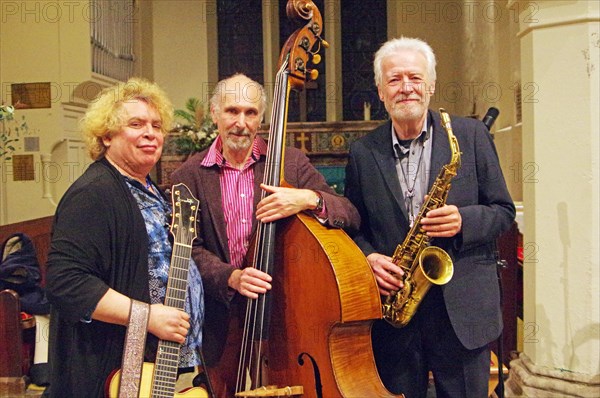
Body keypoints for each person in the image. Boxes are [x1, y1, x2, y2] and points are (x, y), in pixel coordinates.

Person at [344, 37, 516, 398]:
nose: (406, 87)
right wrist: (368, 259)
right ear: (380, 90)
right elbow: (355, 227)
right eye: (394, 79)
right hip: (396, 317)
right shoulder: (362, 152)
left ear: (431, 85)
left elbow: (503, 212)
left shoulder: (470, 136)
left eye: (415, 77)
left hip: (462, 314)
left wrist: (464, 221)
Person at [170, 73, 360, 368]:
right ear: (214, 113)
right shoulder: (188, 175)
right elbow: (186, 249)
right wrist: (231, 276)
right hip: (222, 320)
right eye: (232, 111)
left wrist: (308, 198)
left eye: (251, 112)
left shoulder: (291, 163)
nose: (241, 123)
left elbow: (348, 213)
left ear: (261, 118)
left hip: (285, 314)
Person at [45, 78, 204, 397]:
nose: (150, 133)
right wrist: (148, 316)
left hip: (158, 363)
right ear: (106, 135)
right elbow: (66, 283)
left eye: (157, 125)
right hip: (111, 372)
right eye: (136, 124)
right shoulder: (93, 194)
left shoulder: (148, 191)